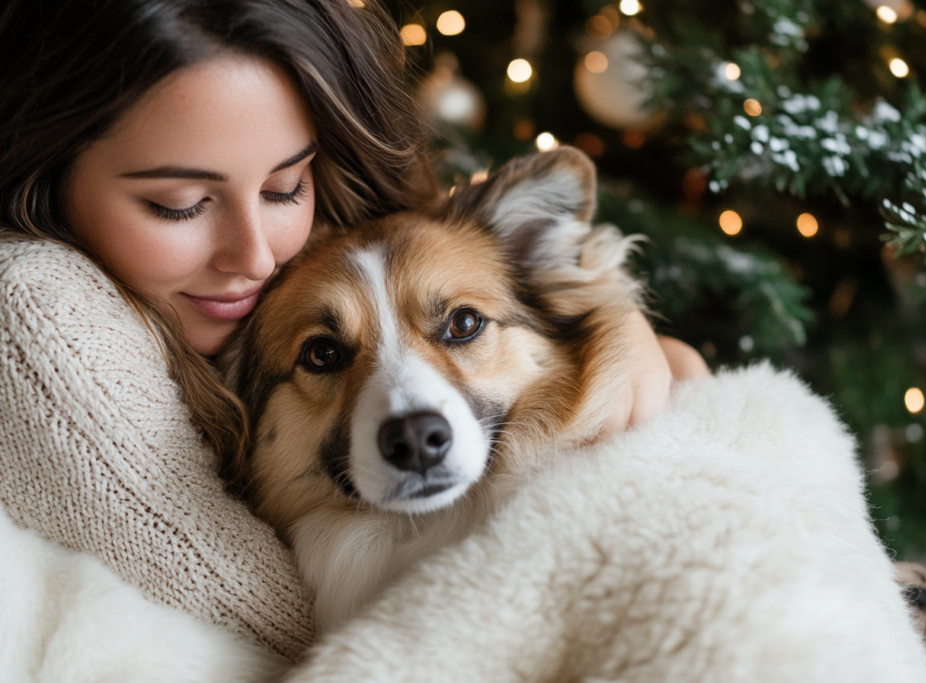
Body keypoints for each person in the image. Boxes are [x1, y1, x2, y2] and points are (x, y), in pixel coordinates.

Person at [0, 0, 709, 665]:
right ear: (49, 173)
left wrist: (634, 338)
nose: (255, 257)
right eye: (177, 204)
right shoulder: (42, 314)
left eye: (284, 187)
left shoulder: (348, 248)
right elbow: (271, 627)